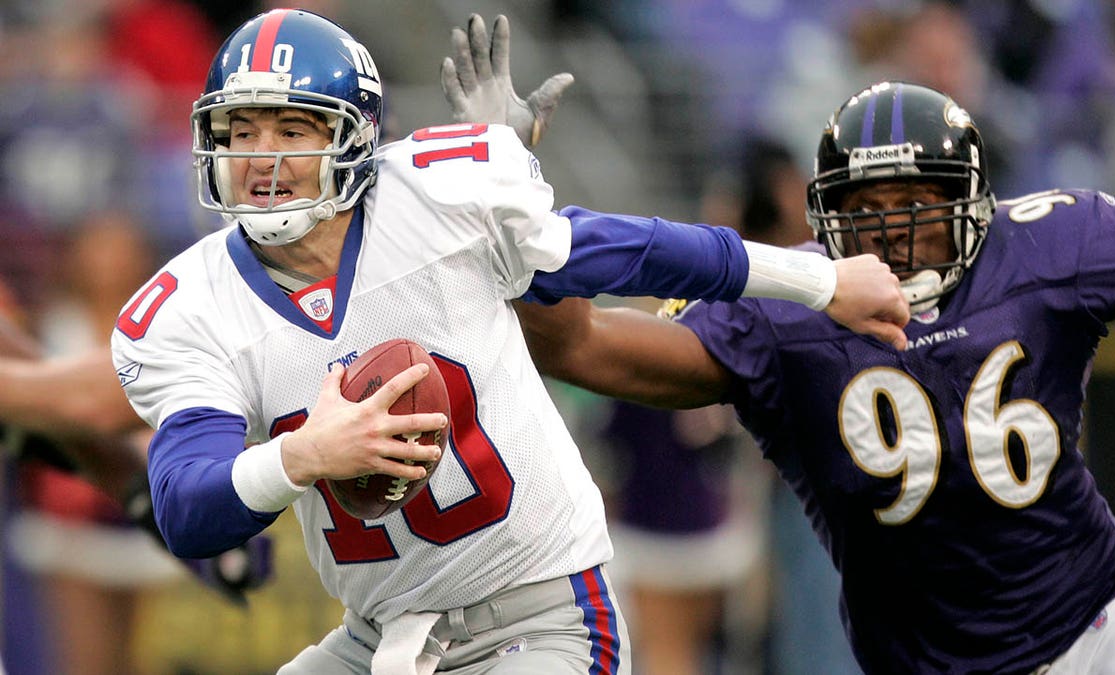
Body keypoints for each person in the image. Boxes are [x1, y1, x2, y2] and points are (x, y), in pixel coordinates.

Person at [109, 10, 907, 675]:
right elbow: (185, 504)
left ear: (353, 140)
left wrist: (822, 283)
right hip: (381, 637)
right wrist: (301, 456)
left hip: (540, 614)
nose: (265, 158)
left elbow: (636, 249)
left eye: (294, 127)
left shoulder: (435, 198)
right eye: (240, 130)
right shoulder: (195, 305)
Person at [503, 80, 1115, 674]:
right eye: (862, 210)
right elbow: (581, 346)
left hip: (1097, 621)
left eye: (916, 201)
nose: (891, 231)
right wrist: (513, 198)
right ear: (824, 217)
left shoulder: (1045, 244)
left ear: (974, 201)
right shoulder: (782, 309)